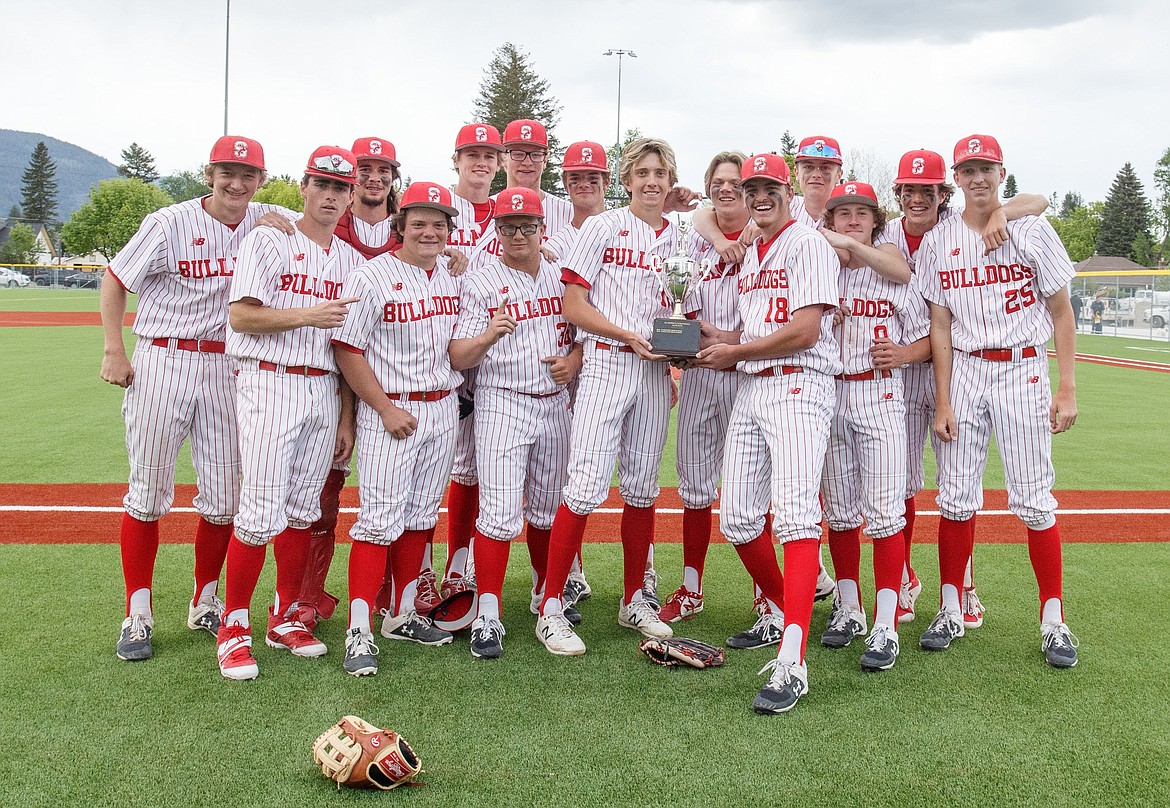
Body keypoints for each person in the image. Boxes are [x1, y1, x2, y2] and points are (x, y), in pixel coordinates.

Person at [102, 135, 294, 662]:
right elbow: (115, 278)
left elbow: (332, 222)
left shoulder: (270, 218)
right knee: (147, 491)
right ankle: (137, 611)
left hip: (229, 367)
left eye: (248, 174)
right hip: (165, 357)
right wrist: (114, 348)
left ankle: (205, 599)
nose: (237, 183)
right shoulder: (169, 223)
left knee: (225, 497)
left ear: (260, 179)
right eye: (227, 172)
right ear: (209, 173)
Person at [917, 134, 1079, 668]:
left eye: (986, 168)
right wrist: (941, 398)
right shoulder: (941, 240)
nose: (978, 177)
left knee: (1034, 499)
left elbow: (1061, 311)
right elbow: (939, 325)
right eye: (968, 169)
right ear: (956, 180)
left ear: (1001, 171)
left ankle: (1053, 621)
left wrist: (1067, 386)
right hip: (964, 369)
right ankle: (949, 607)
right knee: (956, 498)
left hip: (1022, 367)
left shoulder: (1031, 228)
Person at [878, 149, 1052, 628]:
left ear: (942, 192)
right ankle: (913, 583)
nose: (917, 198)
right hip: (908, 378)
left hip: (965, 369)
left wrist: (1002, 210)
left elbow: (1036, 201)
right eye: (909, 190)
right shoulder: (888, 234)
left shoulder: (961, 223)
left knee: (990, 489)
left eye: (927, 190)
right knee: (905, 484)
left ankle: (973, 589)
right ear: (899, 194)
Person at [693, 152, 841, 713]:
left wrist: (737, 350)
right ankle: (784, 611)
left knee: (798, 515)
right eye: (750, 187)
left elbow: (803, 332)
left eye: (768, 186)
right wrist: (719, 337)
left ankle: (794, 661)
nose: (758, 195)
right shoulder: (754, 250)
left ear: (788, 189)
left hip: (800, 385)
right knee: (737, 519)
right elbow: (759, 331)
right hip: (756, 384)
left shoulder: (808, 243)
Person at [214, 146, 364, 681]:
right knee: (258, 513)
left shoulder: (350, 260)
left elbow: (348, 346)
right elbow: (241, 318)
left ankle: (284, 616)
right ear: (303, 187)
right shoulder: (269, 238)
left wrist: (347, 417)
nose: (330, 195)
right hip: (269, 379)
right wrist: (309, 313)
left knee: (304, 510)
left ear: (351, 196)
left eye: (340, 187)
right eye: (321, 184)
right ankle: (233, 629)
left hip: (324, 388)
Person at [533, 137, 683, 655]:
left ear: (670, 181)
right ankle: (551, 606)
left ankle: (634, 598)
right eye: (642, 172)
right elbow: (573, 304)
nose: (651, 181)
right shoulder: (600, 226)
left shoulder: (678, 237)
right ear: (626, 179)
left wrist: (677, 346)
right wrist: (625, 335)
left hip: (654, 372)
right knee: (584, 486)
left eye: (660, 173)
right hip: (607, 363)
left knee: (642, 487)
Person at [330, 181, 466, 676]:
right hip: (393, 410)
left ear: (450, 231)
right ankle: (359, 629)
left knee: (420, 517)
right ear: (400, 224)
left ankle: (403, 614)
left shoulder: (453, 276)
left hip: (442, 407)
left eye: (439, 223)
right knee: (378, 521)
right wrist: (383, 408)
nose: (429, 231)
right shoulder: (372, 276)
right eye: (419, 222)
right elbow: (347, 348)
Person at [448, 187, 583, 658]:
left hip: (554, 404)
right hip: (502, 402)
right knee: (500, 514)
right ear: (497, 230)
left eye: (528, 226)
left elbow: (586, 333)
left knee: (548, 511)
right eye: (509, 226)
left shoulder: (564, 279)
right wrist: (488, 336)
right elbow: (457, 355)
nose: (519, 234)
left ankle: (547, 600)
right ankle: (488, 613)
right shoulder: (481, 282)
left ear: (543, 229)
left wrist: (576, 359)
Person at [817, 182, 921, 671]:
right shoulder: (816, 266)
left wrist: (903, 354)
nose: (852, 220)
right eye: (843, 213)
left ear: (875, 221)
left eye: (861, 213)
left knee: (884, 511)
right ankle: (848, 607)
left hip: (879, 393)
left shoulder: (890, 271)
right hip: (829, 392)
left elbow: (927, 335)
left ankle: (885, 622)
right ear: (830, 220)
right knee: (838, 512)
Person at [657, 151, 756, 627]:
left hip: (748, 373)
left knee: (756, 488)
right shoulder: (693, 239)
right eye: (717, 181)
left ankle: (764, 592)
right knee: (695, 488)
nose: (725, 189)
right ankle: (692, 587)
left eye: (735, 182)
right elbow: (688, 215)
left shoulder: (771, 231)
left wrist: (736, 343)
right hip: (698, 373)